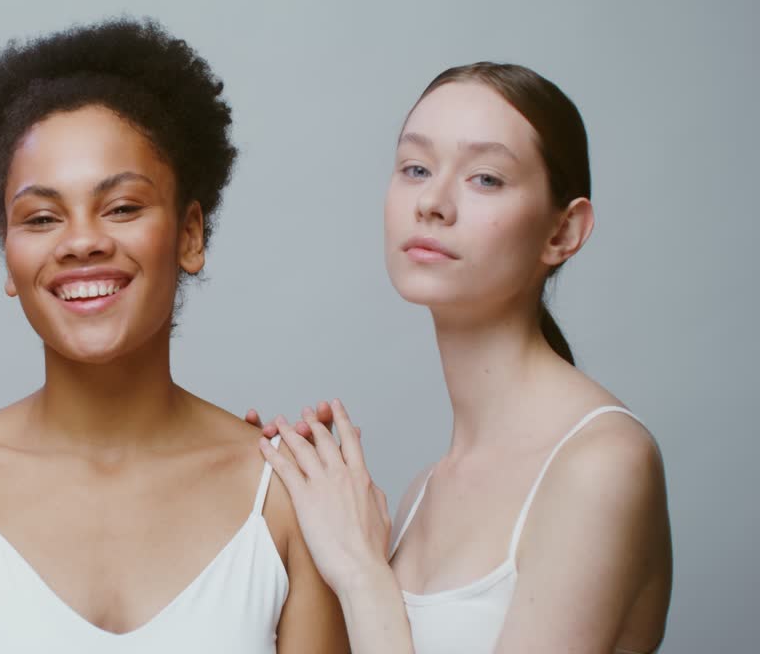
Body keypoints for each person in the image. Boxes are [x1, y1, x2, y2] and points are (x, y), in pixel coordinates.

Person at [0, 19, 347, 653]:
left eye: (122, 207)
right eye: (42, 218)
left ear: (189, 235)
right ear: (7, 258)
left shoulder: (287, 495)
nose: (82, 243)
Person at [255, 63, 672, 653]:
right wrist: (278, 524)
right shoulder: (424, 492)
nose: (431, 201)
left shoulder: (603, 464)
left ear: (564, 231)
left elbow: (371, 599)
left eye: (485, 179)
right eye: (416, 168)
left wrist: (362, 575)